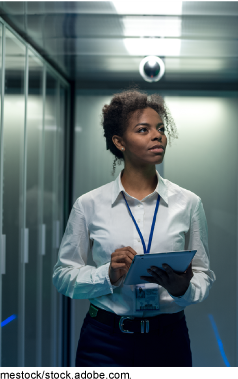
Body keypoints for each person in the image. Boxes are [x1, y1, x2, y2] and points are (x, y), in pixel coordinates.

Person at [53, 89, 215, 367]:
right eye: (144, 130)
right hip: (104, 341)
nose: (158, 136)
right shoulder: (89, 204)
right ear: (119, 141)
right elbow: (63, 276)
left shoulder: (188, 202)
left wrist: (183, 288)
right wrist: (108, 274)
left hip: (168, 339)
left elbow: (204, 274)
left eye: (161, 129)